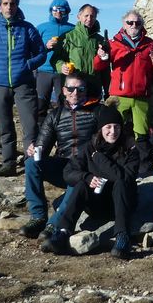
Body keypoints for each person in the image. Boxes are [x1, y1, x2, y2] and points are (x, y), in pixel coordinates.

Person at [40, 105, 139, 259]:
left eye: (117, 127)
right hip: (96, 204)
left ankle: (122, 236)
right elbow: (68, 172)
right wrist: (87, 177)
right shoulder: (89, 147)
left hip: (121, 204)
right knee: (81, 184)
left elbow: (124, 177)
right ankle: (63, 232)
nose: (113, 131)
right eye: (108, 127)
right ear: (100, 129)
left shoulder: (130, 149)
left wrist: (99, 158)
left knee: (120, 184)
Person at [20, 71, 102, 239]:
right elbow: (42, 145)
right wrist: (35, 149)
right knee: (31, 163)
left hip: (87, 169)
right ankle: (38, 217)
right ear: (64, 90)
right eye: (70, 89)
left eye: (80, 89)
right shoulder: (55, 114)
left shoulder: (98, 112)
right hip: (63, 165)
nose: (75, 93)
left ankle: (55, 223)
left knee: (77, 178)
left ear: (86, 90)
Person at [0, 0, 47, 176]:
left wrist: (27, 65)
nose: (9, 7)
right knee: (5, 126)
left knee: (30, 126)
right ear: (0, 6)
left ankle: (32, 163)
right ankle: (9, 163)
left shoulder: (27, 28)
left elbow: (41, 53)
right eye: (5, 3)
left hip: (24, 84)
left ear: (17, 6)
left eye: (12, 4)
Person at [106, 10, 153, 168]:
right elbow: (98, 65)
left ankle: (144, 166)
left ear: (142, 25)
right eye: (130, 22)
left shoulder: (150, 44)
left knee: (142, 132)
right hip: (119, 96)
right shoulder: (113, 43)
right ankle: (112, 163)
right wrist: (101, 56)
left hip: (141, 96)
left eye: (137, 23)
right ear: (124, 25)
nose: (133, 25)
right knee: (114, 130)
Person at [51, 4, 110, 97]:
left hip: (94, 87)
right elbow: (55, 59)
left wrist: (108, 91)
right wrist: (61, 66)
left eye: (92, 16)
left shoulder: (101, 40)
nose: (89, 19)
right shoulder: (68, 37)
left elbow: (105, 69)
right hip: (74, 89)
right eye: (86, 15)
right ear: (79, 17)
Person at [34, 0, 75, 123]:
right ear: (50, 10)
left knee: (63, 103)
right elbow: (33, 48)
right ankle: (40, 130)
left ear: (67, 11)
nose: (58, 12)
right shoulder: (41, 28)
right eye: (55, 9)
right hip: (43, 70)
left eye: (62, 10)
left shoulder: (72, 29)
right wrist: (46, 46)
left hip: (63, 72)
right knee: (40, 104)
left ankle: (61, 128)